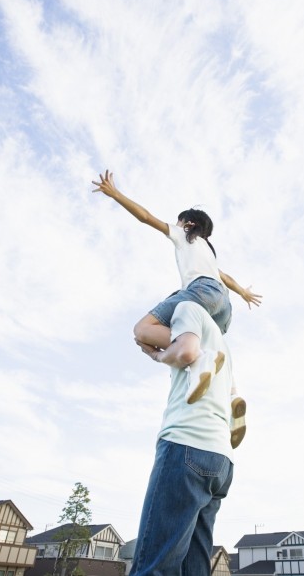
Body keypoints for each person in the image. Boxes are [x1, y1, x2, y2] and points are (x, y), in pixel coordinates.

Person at [92, 169, 260, 447]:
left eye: (180, 221)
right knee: (214, 341)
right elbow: (226, 279)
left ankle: (198, 358)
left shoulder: (185, 234)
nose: (176, 224)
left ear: (189, 223)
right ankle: (232, 396)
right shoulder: (207, 249)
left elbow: (146, 217)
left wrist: (116, 194)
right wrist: (243, 293)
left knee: (143, 329)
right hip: (224, 306)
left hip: (200, 292)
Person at [130, 301, 234, 576]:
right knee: (194, 567)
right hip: (221, 459)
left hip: (186, 444)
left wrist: (158, 357)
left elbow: (186, 351)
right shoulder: (224, 345)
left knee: (154, 567)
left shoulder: (189, 308)